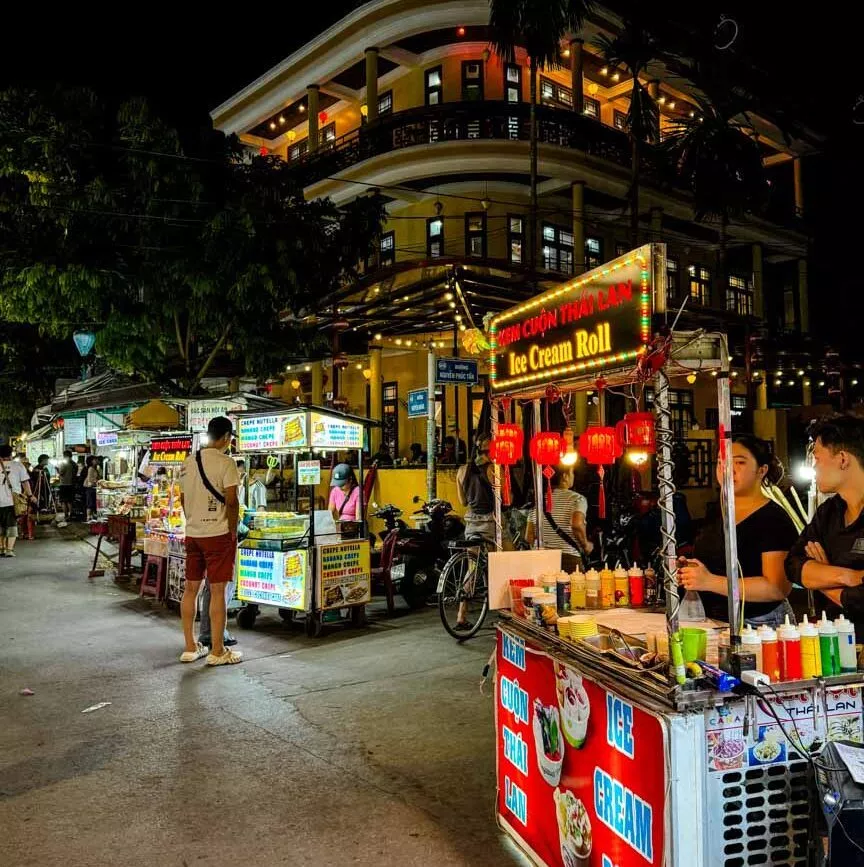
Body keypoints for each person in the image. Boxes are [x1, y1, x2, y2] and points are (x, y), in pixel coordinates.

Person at [679, 434, 798, 626]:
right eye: (721, 462)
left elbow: (776, 588)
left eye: (739, 462)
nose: (727, 469)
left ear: (762, 470)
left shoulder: (773, 519)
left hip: (760, 622)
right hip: (714, 620)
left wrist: (710, 582)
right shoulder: (716, 512)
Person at [786, 415, 864, 635]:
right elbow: (793, 564)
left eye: (817, 458)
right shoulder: (830, 511)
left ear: (842, 459)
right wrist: (848, 576)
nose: (814, 467)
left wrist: (821, 575)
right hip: (832, 642)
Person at [177, 416, 242, 666]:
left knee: (190, 589)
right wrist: (233, 530)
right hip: (218, 535)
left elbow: (183, 500)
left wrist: (193, 520)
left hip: (193, 534)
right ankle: (217, 650)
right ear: (227, 437)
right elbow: (232, 501)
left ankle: (190, 647)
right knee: (217, 591)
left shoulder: (188, 462)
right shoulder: (227, 463)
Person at [526, 466, 592, 571]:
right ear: (565, 476)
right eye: (572, 473)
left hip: (540, 559)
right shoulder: (577, 499)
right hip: (567, 558)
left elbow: (529, 536)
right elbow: (577, 524)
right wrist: (585, 545)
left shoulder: (538, 501)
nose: (573, 476)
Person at [0, 444, 36, 557]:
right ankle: (9, 550)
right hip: (12, 501)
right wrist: (30, 496)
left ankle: (1, 548)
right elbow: (25, 482)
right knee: (11, 525)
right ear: (11, 454)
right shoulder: (18, 466)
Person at [83, 456, 101, 521]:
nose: (96, 461)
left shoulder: (95, 468)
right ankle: (88, 518)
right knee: (90, 503)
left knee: (92, 503)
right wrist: (98, 482)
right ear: (91, 461)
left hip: (94, 488)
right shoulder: (90, 469)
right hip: (90, 488)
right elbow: (90, 480)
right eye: (95, 460)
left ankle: (91, 518)